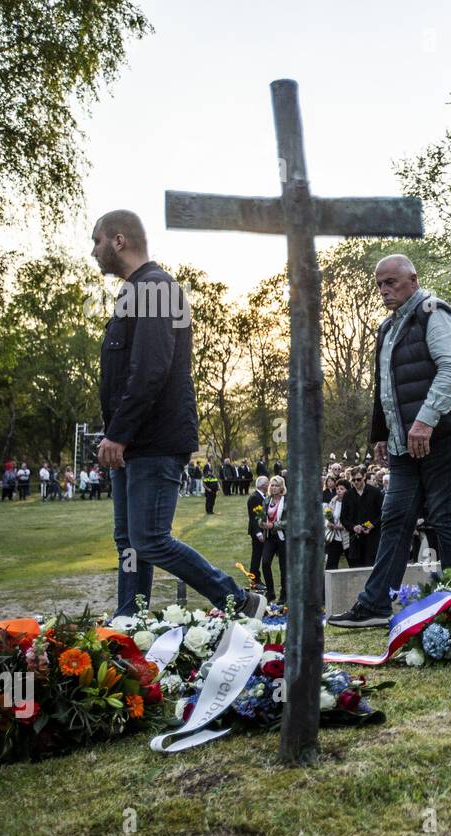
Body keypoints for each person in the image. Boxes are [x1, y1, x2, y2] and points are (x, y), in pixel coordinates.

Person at [93, 208, 265, 621]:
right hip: (132, 444)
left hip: (152, 440)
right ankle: (128, 622)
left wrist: (118, 433)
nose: (92, 251)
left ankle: (239, 599)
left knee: (149, 539)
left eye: (96, 240)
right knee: (130, 544)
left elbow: (151, 369)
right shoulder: (135, 292)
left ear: (119, 240)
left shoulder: (154, 288)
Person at [328, 254, 451, 628]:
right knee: (394, 517)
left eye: (391, 282)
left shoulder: (434, 312)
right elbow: (386, 387)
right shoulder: (388, 327)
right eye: (379, 284)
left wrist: (425, 422)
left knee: (445, 515)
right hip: (405, 441)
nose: (384, 289)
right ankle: (376, 604)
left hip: (444, 432)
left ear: (413, 279)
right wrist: (380, 434)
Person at [259, 474, 288, 604]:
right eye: (273, 485)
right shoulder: (266, 500)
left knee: (284, 567)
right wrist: (261, 522)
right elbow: (261, 516)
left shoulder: (287, 500)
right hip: (270, 537)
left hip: (283, 537)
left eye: (277, 485)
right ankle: (270, 592)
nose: (274, 488)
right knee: (265, 563)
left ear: (282, 487)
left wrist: (274, 525)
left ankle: (284, 594)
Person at [246, 475, 269, 587]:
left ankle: (255, 578)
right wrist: (258, 533)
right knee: (256, 556)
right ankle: (254, 579)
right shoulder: (255, 497)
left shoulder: (263, 496)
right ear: (264, 486)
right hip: (257, 532)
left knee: (259, 555)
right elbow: (253, 517)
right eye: (268, 484)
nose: (269, 486)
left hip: (262, 529)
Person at [325, 478, 352, 570]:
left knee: (353, 564)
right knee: (330, 566)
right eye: (337, 489)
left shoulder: (351, 502)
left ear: (347, 490)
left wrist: (343, 526)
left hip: (347, 537)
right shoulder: (333, 502)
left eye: (342, 489)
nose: (339, 491)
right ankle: (328, 584)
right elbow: (328, 516)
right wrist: (329, 523)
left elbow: (353, 520)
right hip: (334, 537)